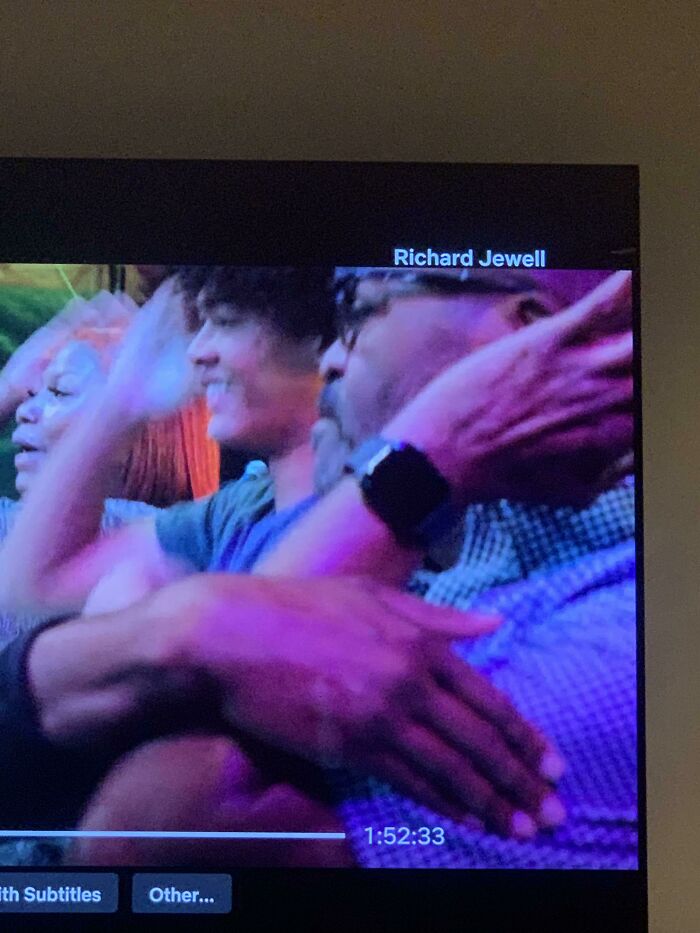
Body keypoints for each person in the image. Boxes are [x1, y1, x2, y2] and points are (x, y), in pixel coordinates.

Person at [0, 267, 634, 869]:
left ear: (525, 331)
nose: (335, 355)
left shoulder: (603, 589)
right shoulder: (251, 509)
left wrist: (423, 460)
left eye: (356, 313)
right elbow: (38, 588)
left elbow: (151, 824)